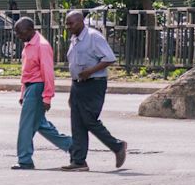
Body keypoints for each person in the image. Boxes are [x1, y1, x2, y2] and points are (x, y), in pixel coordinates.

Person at [62, 9, 127, 172]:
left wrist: (90, 71)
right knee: (77, 123)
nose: (68, 27)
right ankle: (78, 161)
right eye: (67, 24)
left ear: (80, 22)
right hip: (78, 84)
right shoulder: (75, 38)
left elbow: (109, 58)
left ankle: (117, 146)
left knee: (89, 120)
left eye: (71, 23)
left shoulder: (93, 36)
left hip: (93, 83)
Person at [11, 17, 72, 169]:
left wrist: (47, 97)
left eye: (20, 32)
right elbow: (26, 72)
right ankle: (73, 146)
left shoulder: (42, 46)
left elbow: (48, 73)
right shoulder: (28, 44)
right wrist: (22, 93)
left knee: (26, 125)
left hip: (37, 88)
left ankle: (24, 159)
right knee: (40, 124)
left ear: (30, 30)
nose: (18, 36)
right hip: (30, 87)